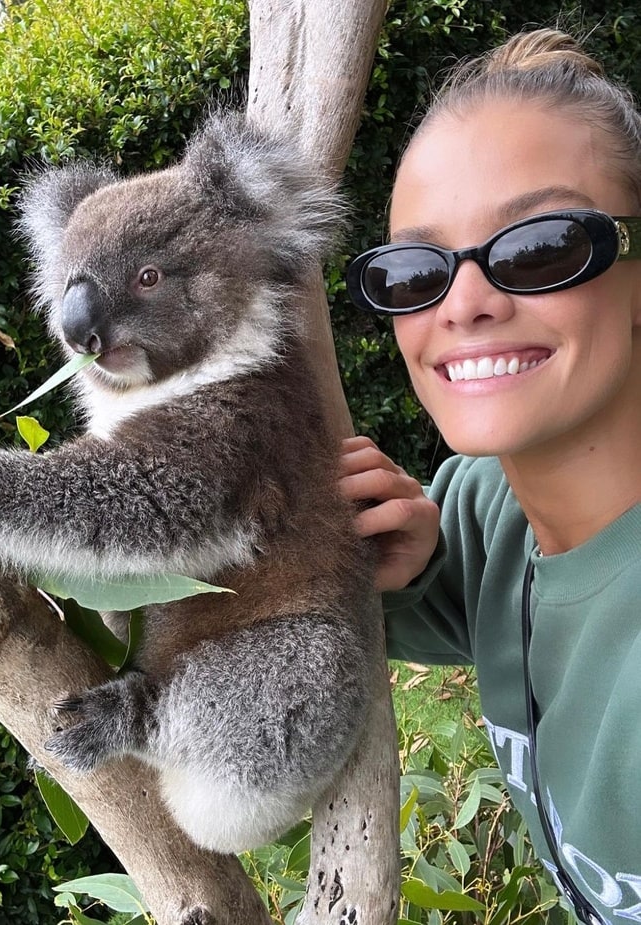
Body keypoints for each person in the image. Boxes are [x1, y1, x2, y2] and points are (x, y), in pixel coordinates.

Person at [341, 28, 641, 925]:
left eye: (541, 247)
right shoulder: (482, 509)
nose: (465, 302)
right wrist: (409, 557)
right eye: (414, 271)